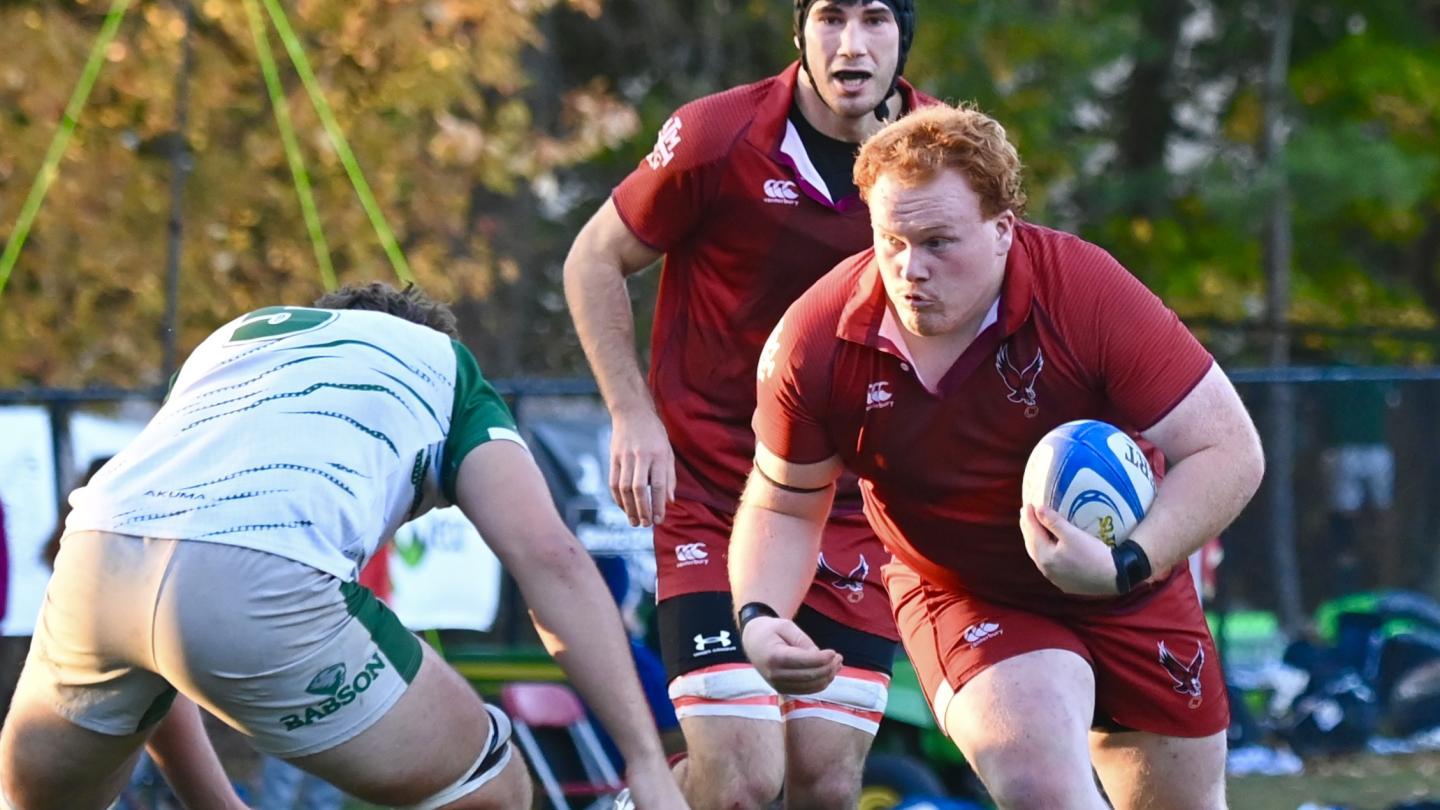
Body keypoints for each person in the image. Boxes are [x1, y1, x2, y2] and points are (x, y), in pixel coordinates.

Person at [730, 104, 1265, 810]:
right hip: (966, 593)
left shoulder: (1083, 291)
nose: (909, 269)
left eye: (938, 242)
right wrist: (761, 615)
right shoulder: (817, 339)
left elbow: (1229, 449)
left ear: (1003, 231)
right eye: (890, 240)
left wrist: (1124, 562)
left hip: (1129, 575)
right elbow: (783, 502)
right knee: (1043, 787)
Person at [0, 282, 687, 810]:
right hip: (262, 579)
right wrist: (647, 763)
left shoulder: (234, 343)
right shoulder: (445, 367)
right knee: (493, 786)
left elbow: (165, 609)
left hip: (91, 562)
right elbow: (551, 559)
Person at [564, 2, 932, 806]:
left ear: (906, 34)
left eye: (874, 19)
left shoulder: (940, 155)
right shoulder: (716, 137)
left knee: (825, 784)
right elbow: (593, 257)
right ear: (797, 30)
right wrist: (633, 414)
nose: (851, 44)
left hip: (849, 509)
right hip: (712, 495)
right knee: (741, 783)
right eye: (830, 17)